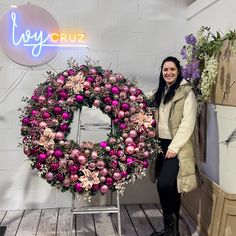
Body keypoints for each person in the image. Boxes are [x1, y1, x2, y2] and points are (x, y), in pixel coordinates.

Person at [149, 56, 200, 236]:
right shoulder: (162, 92)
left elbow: (188, 122)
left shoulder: (187, 92)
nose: (168, 73)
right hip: (160, 145)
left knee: (165, 185)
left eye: (172, 69)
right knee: (168, 187)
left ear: (178, 71)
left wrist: (174, 147)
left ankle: (172, 230)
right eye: (165, 70)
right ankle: (171, 230)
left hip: (176, 147)